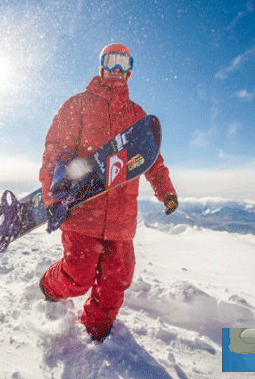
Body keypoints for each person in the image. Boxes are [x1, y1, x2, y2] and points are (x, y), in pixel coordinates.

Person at [38, 43, 178, 342]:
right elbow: (54, 151)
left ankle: (97, 328)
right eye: (111, 61)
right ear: (101, 66)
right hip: (82, 210)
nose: (116, 69)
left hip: (121, 216)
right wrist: (51, 195)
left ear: (130, 71)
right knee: (78, 275)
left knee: (118, 277)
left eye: (123, 63)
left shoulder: (136, 114)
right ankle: (49, 286)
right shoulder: (78, 104)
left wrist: (166, 191)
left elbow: (152, 160)